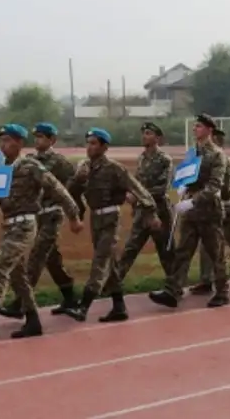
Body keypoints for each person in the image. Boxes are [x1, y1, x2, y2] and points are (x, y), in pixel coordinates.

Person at [0, 124, 83, 339]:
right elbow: (0, 196)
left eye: (8, 141)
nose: (3, 146)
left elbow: (58, 190)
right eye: (1, 141)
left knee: (1, 266)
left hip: (25, 225)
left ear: (19, 143)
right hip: (9, 224)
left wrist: (74, 216)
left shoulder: (31, 166)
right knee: (18, 275)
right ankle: (33, 320)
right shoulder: (2, 168)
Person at [61, 128, 160, 322]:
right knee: (111, 265)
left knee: (100, 262)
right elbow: (70, 192)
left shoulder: (114, 168)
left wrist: (151, 213)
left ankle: (84, 307)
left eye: (94, 143)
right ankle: (119, 307)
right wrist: (77, 179)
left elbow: (139, 190)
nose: (89, 147)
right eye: (88, 143)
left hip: (110, 219)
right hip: (95, 220)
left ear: (104, 147)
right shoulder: (85, 167)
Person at [149, 113, 230, 308]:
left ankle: (222, 292)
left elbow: (214, 186)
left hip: (209, 210)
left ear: (209, 130)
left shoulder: (217, 155)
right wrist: (183, 185)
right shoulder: (193, 153)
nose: (195, 129)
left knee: (215, 252)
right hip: (191, 212)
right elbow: (187, 174)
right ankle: (173, 290)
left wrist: (193, 201)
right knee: (183, 251)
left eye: (199, 127)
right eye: (195, 126)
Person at [1, 122, 78, 319]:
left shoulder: (60, 162)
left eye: (43, 137)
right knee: (52, 260)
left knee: (36, 257)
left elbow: (71, 187)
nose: (38, 141)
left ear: (52, 140)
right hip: (37, 215)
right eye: (36, 137)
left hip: (53, 214)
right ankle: (70, 297)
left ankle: (21, 302)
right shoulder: (29, 160)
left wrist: (74, 215)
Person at [191, 127, 230, 294]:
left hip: (224, 206)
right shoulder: (206, 159)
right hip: (212, 206)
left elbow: (229, 187)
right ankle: (206, 280)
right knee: (207, 246)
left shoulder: (226, 161)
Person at [112, 122, 174, 292]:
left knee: (165, 251)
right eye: (143, 133)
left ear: (157, 138)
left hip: (160, 211)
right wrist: (131, 195)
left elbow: (162, 188)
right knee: (131, 248)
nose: (144, 136)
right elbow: (137, 182)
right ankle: (114, 283)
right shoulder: (142, 158)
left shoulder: (164, 159)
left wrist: (138, 195)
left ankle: (174, 284)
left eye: (148, 133)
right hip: (142, 212)